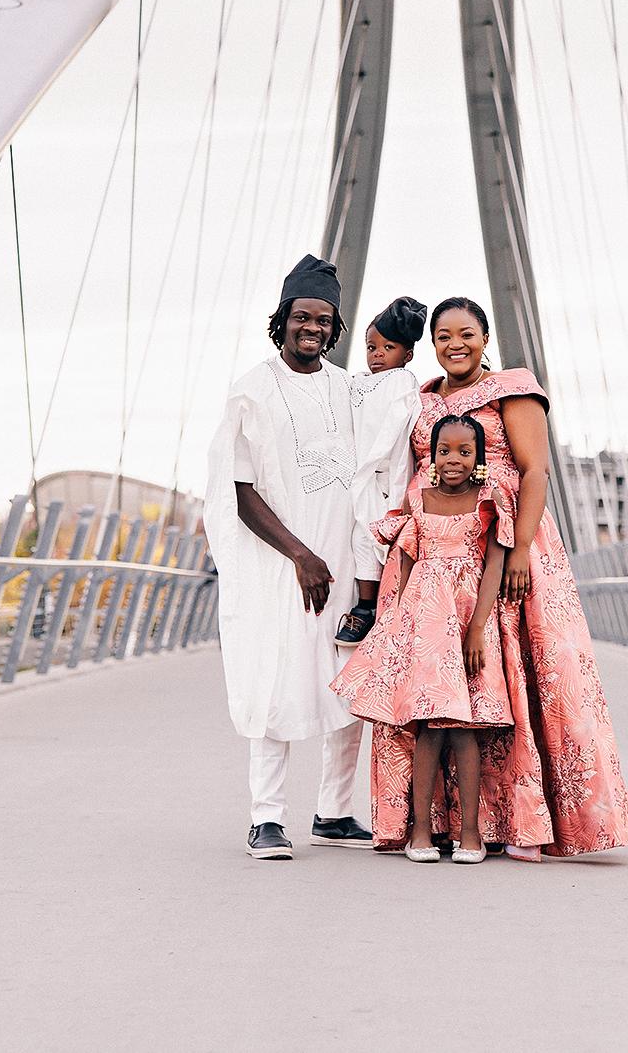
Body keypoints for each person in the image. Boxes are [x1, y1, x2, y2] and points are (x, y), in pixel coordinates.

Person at [365, 296, 628, 859]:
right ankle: (431, 823)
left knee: (511, 678)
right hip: (434, 551)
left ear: (485, 338)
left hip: (506, 541)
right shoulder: (419, 400)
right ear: (431, 344)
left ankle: (521, 823)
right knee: (431, 692)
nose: (454, 344)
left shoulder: (513, 387)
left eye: (466, 333)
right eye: (442, 336)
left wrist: (517, 552)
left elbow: (534, 470)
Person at [202, 254, 375, 860]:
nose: (313, 328)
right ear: (282, 320)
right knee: (276, 684)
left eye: (324, 320)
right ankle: (266, 818)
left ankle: (334, 812)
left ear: (335, 327)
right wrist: (300, 555)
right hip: (284, 567)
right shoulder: (251, 391)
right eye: (302, 317)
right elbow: (239, 491)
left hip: (346, 566)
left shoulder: (347, 388)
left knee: (350, 687)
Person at [332, 414, 513, 864]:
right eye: (444, 451)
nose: (453, 460)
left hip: (468, 618)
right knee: (428, 725)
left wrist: (476, 629)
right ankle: (419, 833)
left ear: (479, 458)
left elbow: (493, 566)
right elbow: (407, 565)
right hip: (425, 624)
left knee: (466, 728)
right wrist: (397, 627)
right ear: (431, 456)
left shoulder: (488, 501)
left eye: (464, 452)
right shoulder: (420, 499)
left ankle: (470, 833)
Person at [337, 295, 427, 645]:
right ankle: (364, 606)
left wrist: (370, 467)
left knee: (383, 538)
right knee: (359, 540)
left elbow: (394, 432)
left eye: (387, 347)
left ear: (406, 356)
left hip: (386, 478)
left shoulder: (403, 383)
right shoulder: (356, 382)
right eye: (370, 346)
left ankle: (392, 613)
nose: (376, 354)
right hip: (358, 475)